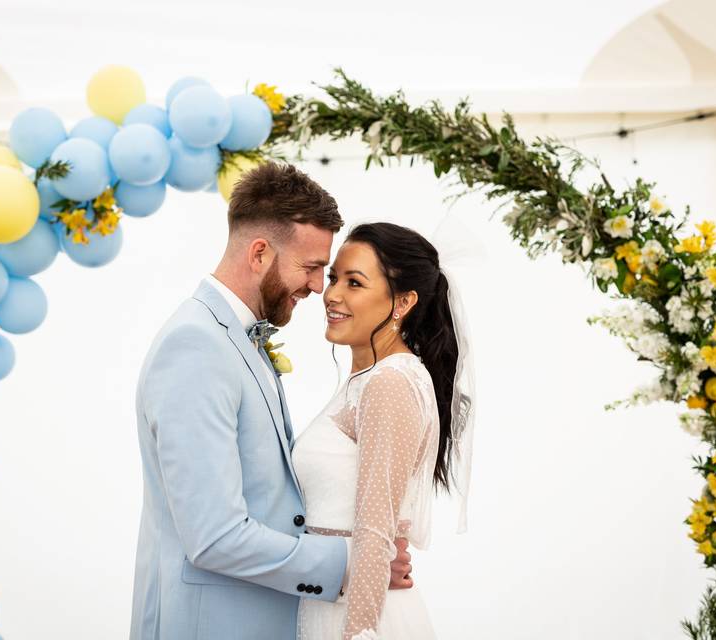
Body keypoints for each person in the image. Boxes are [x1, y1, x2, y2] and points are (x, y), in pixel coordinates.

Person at [129, 164, 413, 640]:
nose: (320, 286)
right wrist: (354, 562)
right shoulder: (196, 347)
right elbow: (215, 536)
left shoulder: (236, 337)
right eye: (310, 266)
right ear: (259, 253)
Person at [294, 222, 470, 639]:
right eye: (334, 277)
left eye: (355, 283)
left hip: (361, 616)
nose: (332, 294)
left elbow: (375, 530)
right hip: (328, 603)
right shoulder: (368, 380)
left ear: (403, 301)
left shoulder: (390, 383)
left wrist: (359, 634)